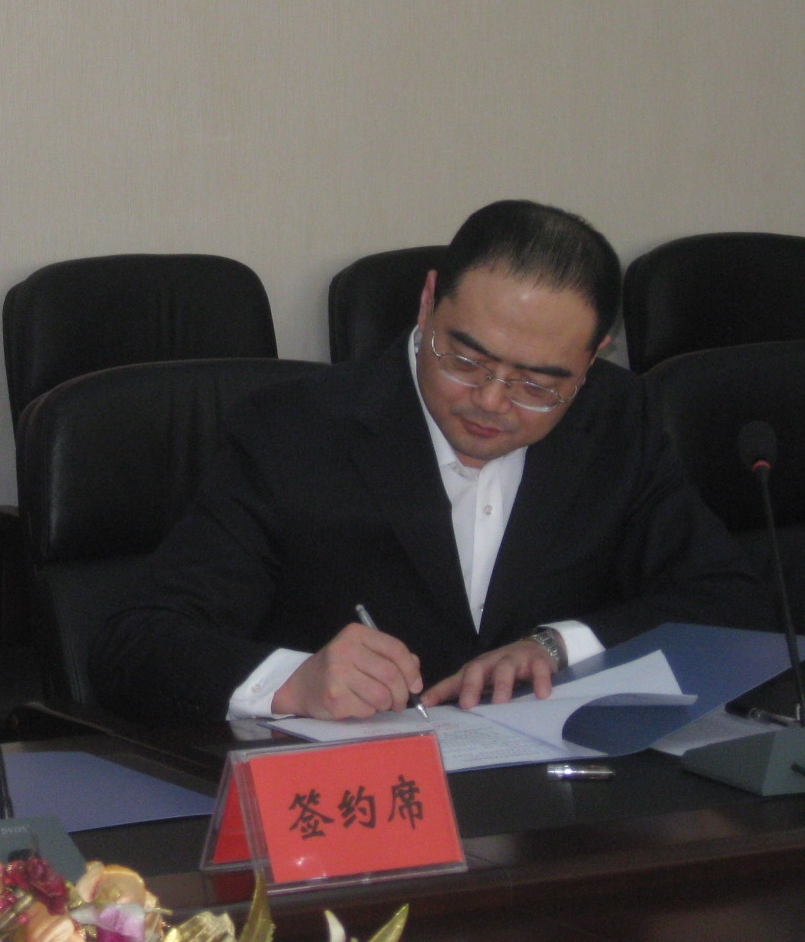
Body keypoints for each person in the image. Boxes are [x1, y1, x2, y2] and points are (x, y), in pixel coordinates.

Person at [91, 200, 762, 725]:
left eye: (537, 384)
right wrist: (293, 681)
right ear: (428, 300)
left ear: (594, 357)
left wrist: (559, 646)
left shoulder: (618, 420)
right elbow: (137, 645)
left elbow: (732, 602)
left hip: (552, 804)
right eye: (465, 359)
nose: (491, 401)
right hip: (358, 808)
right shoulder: (291, 431)